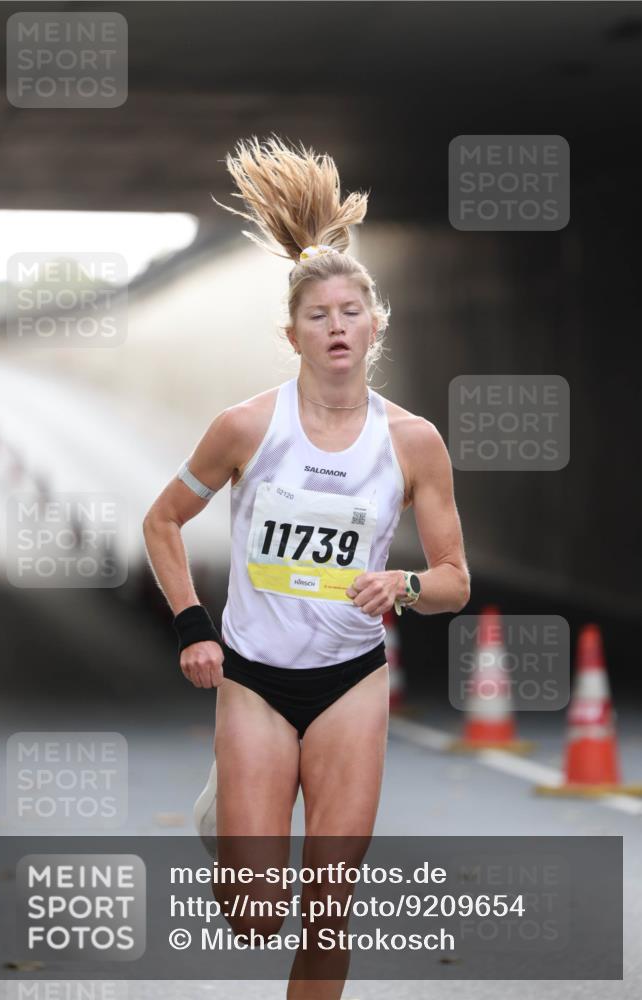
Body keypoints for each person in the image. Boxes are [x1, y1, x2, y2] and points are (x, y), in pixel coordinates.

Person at [143, 135, 470, 1000]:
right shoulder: (246, 429)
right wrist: (192, 627)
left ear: (375, 324)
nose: (335, 327)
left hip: (350, 680)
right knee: (255, 914)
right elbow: (162, 521)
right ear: (291, 333)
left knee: (328, 907)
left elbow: (453, 582)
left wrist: (404, 585)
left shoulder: (412, 443)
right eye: (318, 316)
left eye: (350, 312)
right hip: (253, 677)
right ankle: (229, 808)